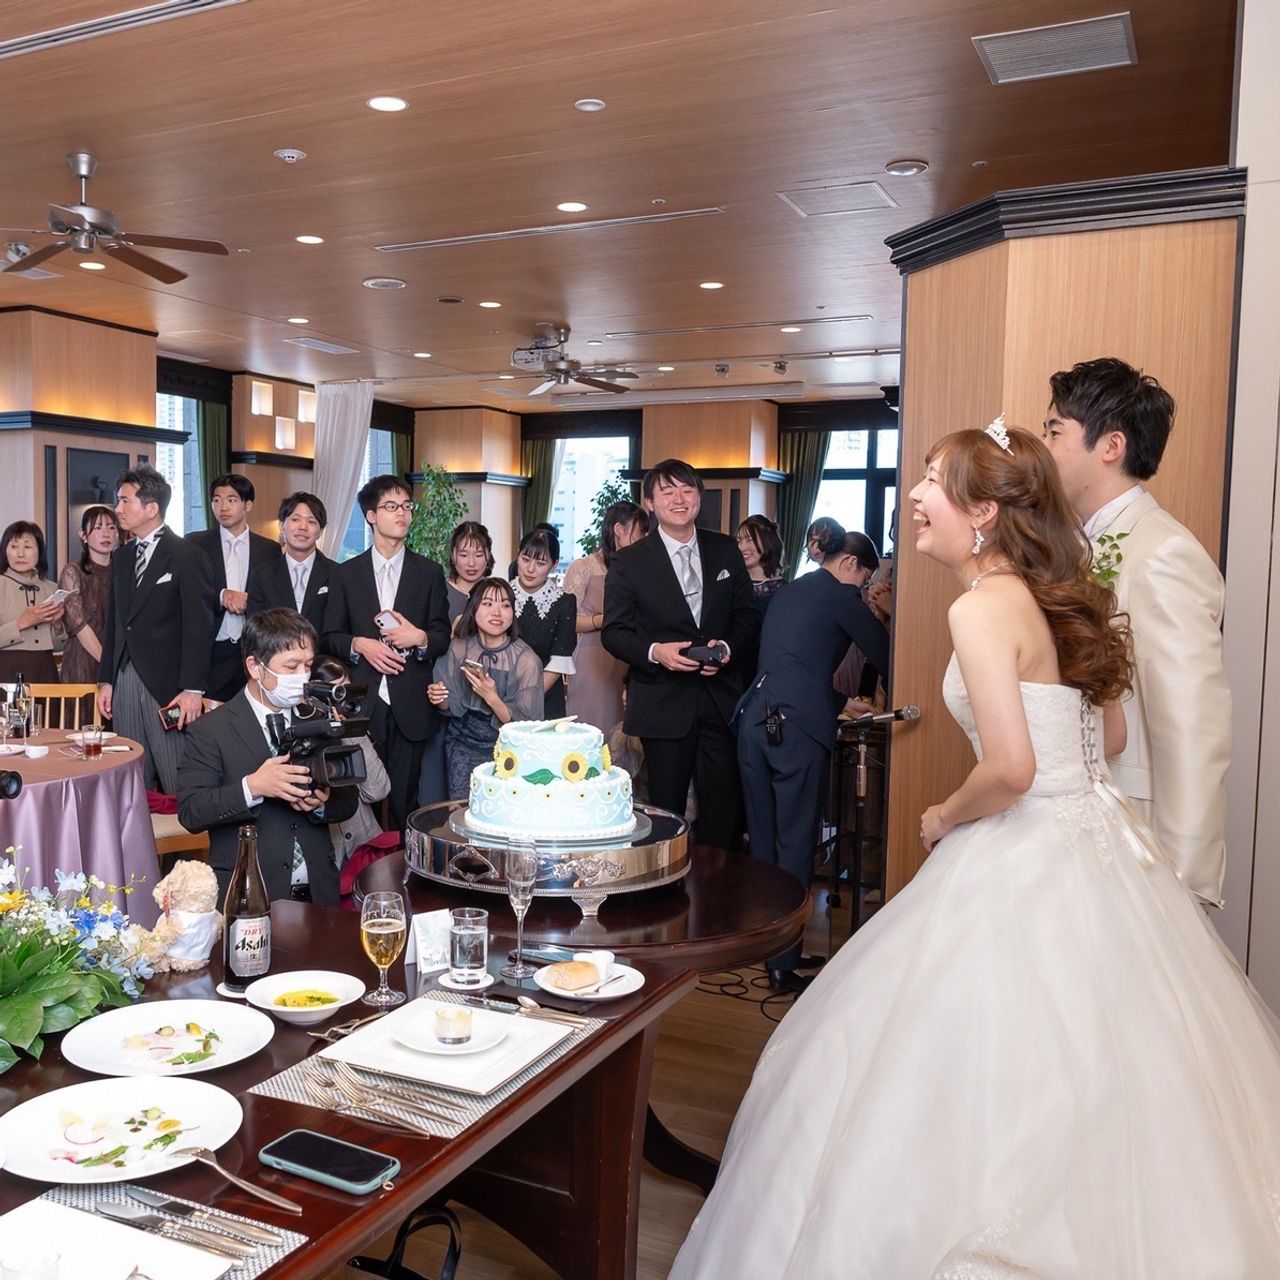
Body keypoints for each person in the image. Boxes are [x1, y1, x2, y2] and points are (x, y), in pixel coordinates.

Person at [671, 422, 1280, 1279]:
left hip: (1024, 845)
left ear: (984, 511)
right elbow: (1106, 738)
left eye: (933, 480)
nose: (916, 497)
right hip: (1104, 845)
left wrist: (944, 814)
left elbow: (1012, 769)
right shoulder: (1061, 598)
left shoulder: (983, 606)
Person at [1042, 357, 1231, 907]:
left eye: (1055, 431)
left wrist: (1186, 880)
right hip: (1077, 827)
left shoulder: (1163, 553)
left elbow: (1193, 727)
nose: (1043, 447)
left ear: (1111, 446)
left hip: (1135, 837)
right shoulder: (1074, 548)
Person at [735, 525, 890, 992]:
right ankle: (783, 963)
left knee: (764, 843)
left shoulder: (791, 591)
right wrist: (885, 613)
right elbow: (887, 656)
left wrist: (840, 701)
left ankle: (764, 950)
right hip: (794, 731)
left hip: (753, 720)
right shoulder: (842, 596)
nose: (864, 588)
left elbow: (790, 662)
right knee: (796, 842)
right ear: (850, 564)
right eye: (864, 579)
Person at [602, 458, 760, 850]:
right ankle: (668, 884)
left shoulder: (724, 550)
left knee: (724, 809)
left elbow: (747, 615)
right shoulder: (629, 561)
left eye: (687, 490)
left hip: (720, 700)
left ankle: (719, 885)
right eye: (668, 491)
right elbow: (614, 632)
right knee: (666, 812)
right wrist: (656, 652)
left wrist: (727, 648)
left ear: (698, 498)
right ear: (650, 503)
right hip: (663, 701)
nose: (679, 499)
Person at [177, 609, 358, 907]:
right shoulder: (211, 730)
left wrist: (322, 805)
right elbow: (191, 812)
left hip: (319, 891)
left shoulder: (317, 717)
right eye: (291, 666)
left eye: (307, 666)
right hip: (249, 895)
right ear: (255, 667)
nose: (302, 676)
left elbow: (349, 797)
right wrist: (253, 787)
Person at [321, 474, 451, 836]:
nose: (402, 513)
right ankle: (363, 864)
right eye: (392, 506)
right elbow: (329, 637)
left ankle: (401, 863)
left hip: (411, 700)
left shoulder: (429, 572)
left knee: (404, 798)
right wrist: (362, 644)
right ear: (371, 515)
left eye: (407, 506)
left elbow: (442, 635)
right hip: (362, 700)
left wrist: (419, 637)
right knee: (358, 794)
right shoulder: (346, 573)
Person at [97, 466, 215, 793]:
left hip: (169, 686)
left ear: (151, 508)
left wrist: (193, 689)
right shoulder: (122, 557)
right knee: (129, 778)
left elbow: (200, 626)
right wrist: (106, 680)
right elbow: (114, 624)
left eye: (125, 501)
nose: (118, 508)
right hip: (124, 678)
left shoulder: (187, 554)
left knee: (177, 777)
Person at [428, 577, 544, 800]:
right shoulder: (458, 648)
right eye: (488, 604)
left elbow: (527, 728)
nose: (497, 612)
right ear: (473, 608)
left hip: (506, 749)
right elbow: (448, 706)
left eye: (505, 605)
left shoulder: (527, 660)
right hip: (461, 744)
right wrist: (439, 697)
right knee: (462, 809)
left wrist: (492, 698)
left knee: (501, 809)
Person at [187, 473, 279, 702]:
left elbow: (273, 597)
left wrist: (251, 600)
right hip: (211, 649)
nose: (223, 507)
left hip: (252, 648)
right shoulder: (194, 544)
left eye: (231, 500)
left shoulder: (269, 549)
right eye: (216, 500)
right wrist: (221, 596)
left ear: (248, 505)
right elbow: (188, 591)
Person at [564, 500, 648, 733]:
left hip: (630, 657)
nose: (643, 540)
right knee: (592, 728)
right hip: (593, 659)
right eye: (639, 533)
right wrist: (601, 620)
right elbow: (566, 621)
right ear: (619, 530)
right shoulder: (584, 567)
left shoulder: (640, 570)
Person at [309, 655, 391, 873]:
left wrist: (350, 733)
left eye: (344, 691)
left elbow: (378, 791)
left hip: (364, 848)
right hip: (326, 858)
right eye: (333, 693)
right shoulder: (302, 736)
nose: (339, 701)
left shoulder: (355, 731)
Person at [510, 525, 577, 719]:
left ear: (554, 565)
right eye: (525, 559)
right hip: (501, 691)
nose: (530, 569)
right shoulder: (501, 595)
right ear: (517, 555)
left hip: (545, 695)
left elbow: (560, 659)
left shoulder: (564, 602)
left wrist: (527, 697)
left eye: (540, 563)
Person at [246, 491, 334, 632]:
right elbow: (254, 630)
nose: (303, 527)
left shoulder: (337, 574)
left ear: (321, 531)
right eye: (295, 519)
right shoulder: (262, 576)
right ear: (282, 526)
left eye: (311, 521)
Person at [57, 506, 119, 686]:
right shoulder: (73, 572)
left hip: (117, 660)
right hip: (82, 660)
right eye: (98, 527)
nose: (106, 533)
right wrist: (108, 665)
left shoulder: (123, 572)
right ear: (83, 535)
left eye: (111, 527)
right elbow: (79, 625)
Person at [0, 521, 64, 684]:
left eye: (27, 547)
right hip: (5, 670)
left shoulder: (52, 589)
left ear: (39, 551)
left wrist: (58, 625)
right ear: (5, 551)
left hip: (45, 670)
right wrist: (21, 623)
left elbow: (61, 647)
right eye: (14, 546)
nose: (20, 554)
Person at [735, 515, 785, 616]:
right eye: (739, 541)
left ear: (767, 541)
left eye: (749, 540)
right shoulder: (733, 588)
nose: (742, 547)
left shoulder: (786, 591)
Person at [445, 520, 494, 622]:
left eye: (478, 555)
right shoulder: (440, 594)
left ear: (488, 556)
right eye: (464, 555)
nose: (471, 563)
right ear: (453, 556)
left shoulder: (497, 593)